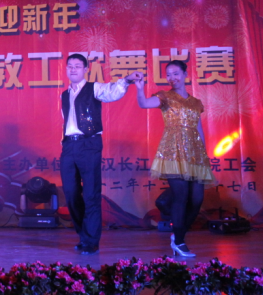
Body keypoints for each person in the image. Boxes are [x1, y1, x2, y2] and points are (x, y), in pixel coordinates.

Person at [60, 54, 142, 255]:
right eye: (70, 66)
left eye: (77, 66)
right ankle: (83, 234)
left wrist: (127, 80)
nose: (73, 69)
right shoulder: (64, 94)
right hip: (69, 146)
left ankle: (91, 240)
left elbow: (112, 92)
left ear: (85, 69)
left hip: (89, 144)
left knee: (91, 193)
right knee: (70, 193)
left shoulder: (94, 88)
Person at [133, 60, 216, 257]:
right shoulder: (165, 96)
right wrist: (139, 88)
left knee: (196, 199)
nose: (172, 78)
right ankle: (179, 242)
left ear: (185, 74)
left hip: (195, 154)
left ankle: (178, 236)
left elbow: (198, 129)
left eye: (176, 73)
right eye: (169, 74)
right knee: (181, 196)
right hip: (172, 152)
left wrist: (203, 156)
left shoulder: (196, 103)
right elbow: (143, 103)